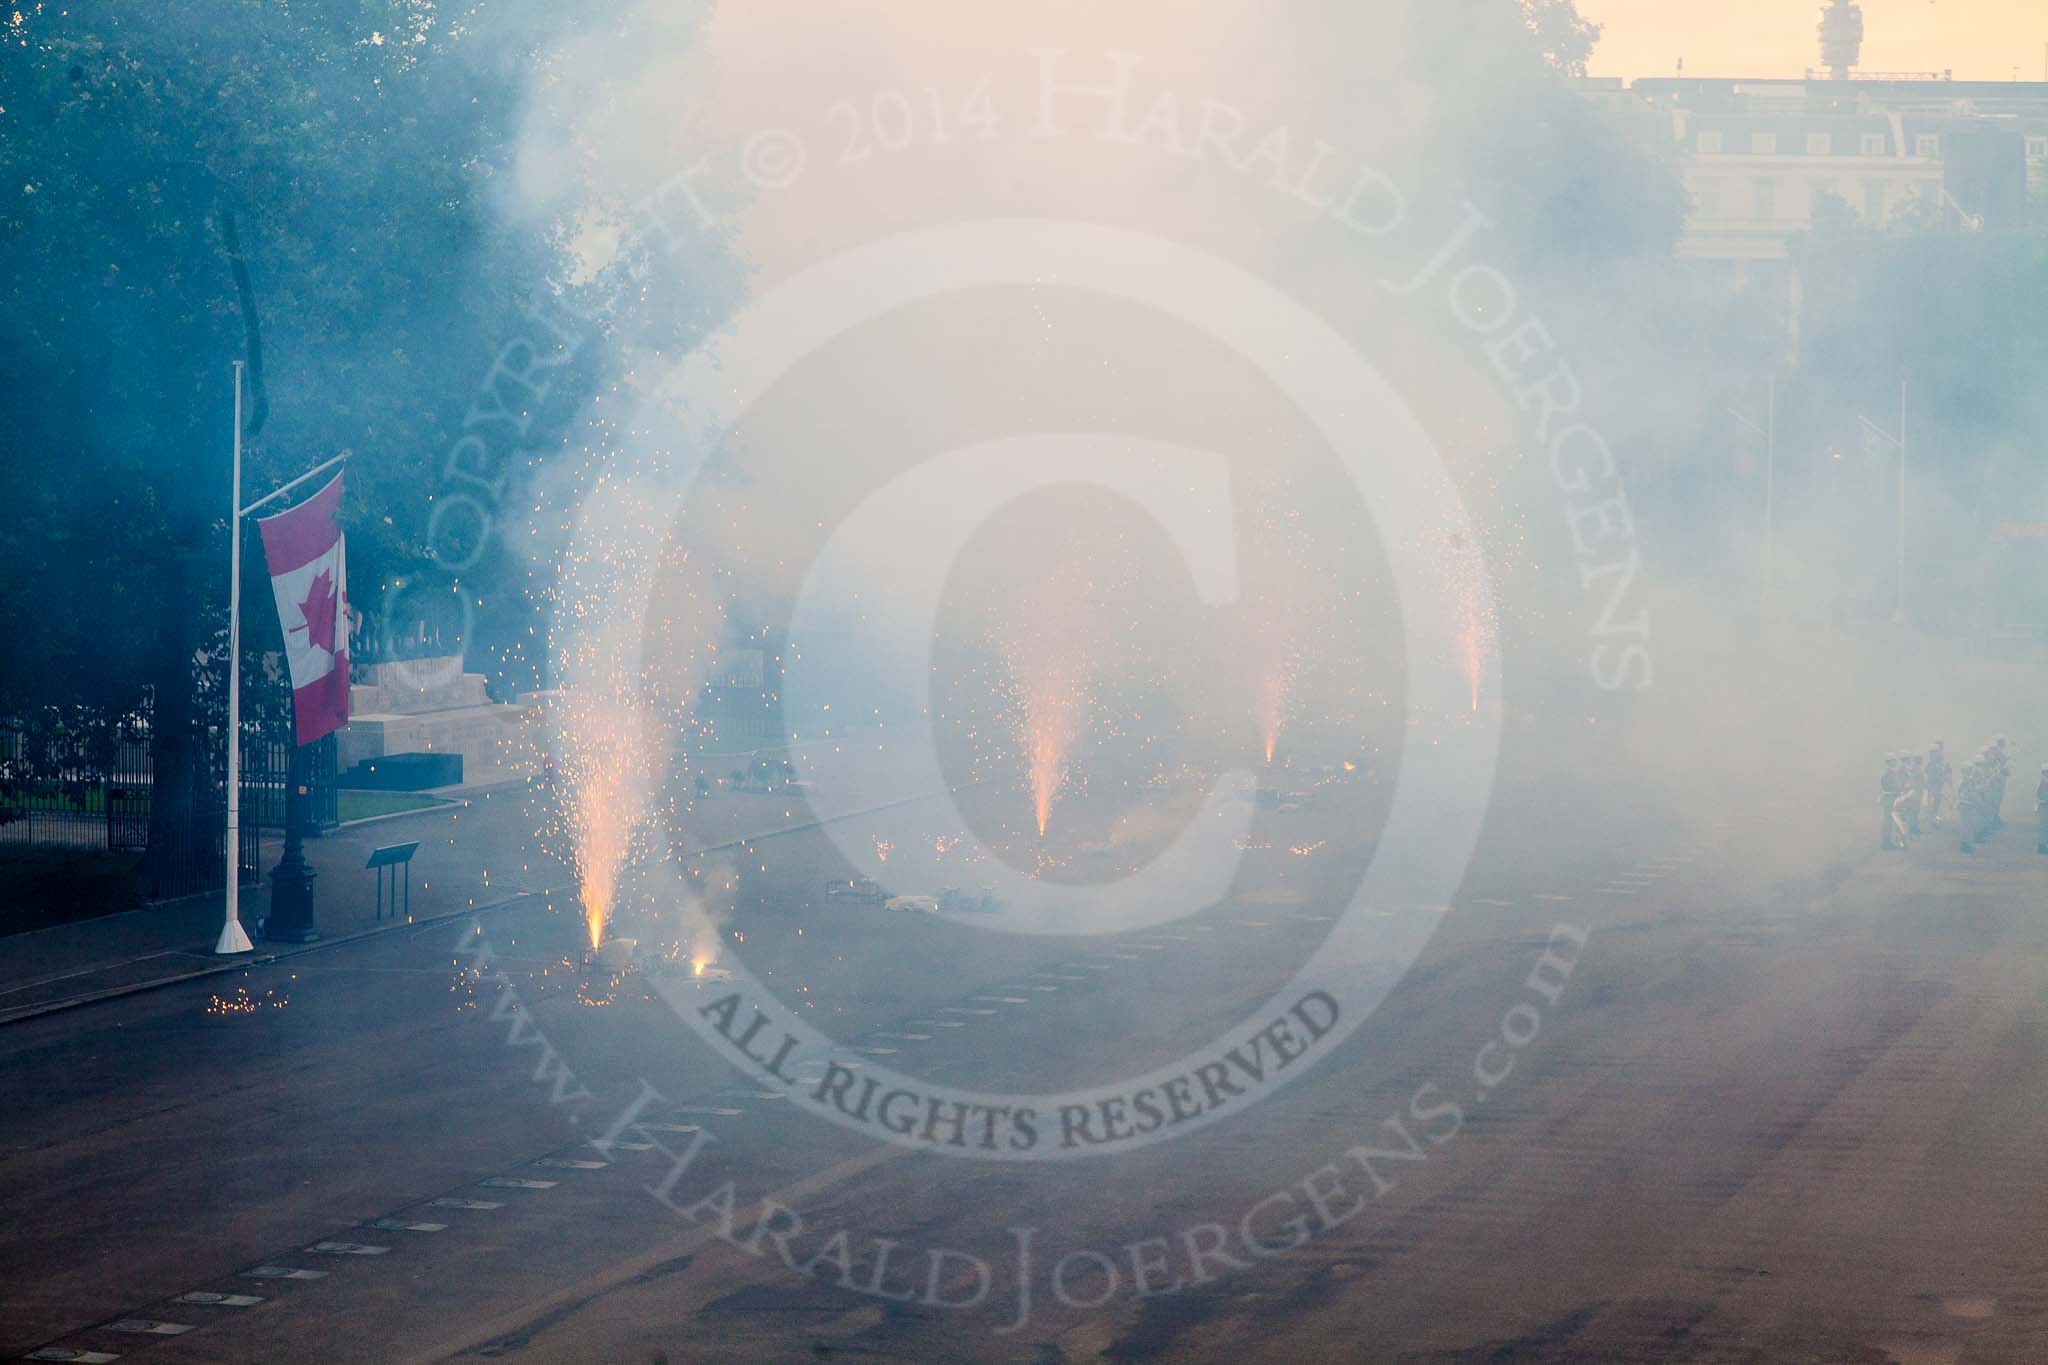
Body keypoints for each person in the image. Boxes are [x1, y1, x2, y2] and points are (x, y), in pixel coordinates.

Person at [1881, 755, 1906, 850]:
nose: (1895, 762)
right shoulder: (1889, 773)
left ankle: (1886, 843)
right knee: (1888, 822)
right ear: (1889, 762)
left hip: (1890, 799)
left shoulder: (1888, 772)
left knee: (1888, 822)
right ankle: (1886, 844)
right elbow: (1893, 786)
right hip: (1890, 799)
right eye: (1893, 761)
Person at [1925, 740, 1951, 828]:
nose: (1934, 754)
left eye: (1935, 752)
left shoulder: (1940, 762)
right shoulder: (1931, 764)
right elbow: (1932, 775)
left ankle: (1935, 819)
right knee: (1933, 804)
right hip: (1933, 787)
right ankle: (1932, 820)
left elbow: (1945, 771)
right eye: (1933, 753)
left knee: (1937, 803)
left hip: (1938, 786)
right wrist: (1942, 777)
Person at [2037, 764, 2048, 855]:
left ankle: (2043, 845)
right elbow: (2041, 795)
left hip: (2045, 805)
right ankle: (2041, 846)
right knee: (2044, 827)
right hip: (2044, 806)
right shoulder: (2043, 781)